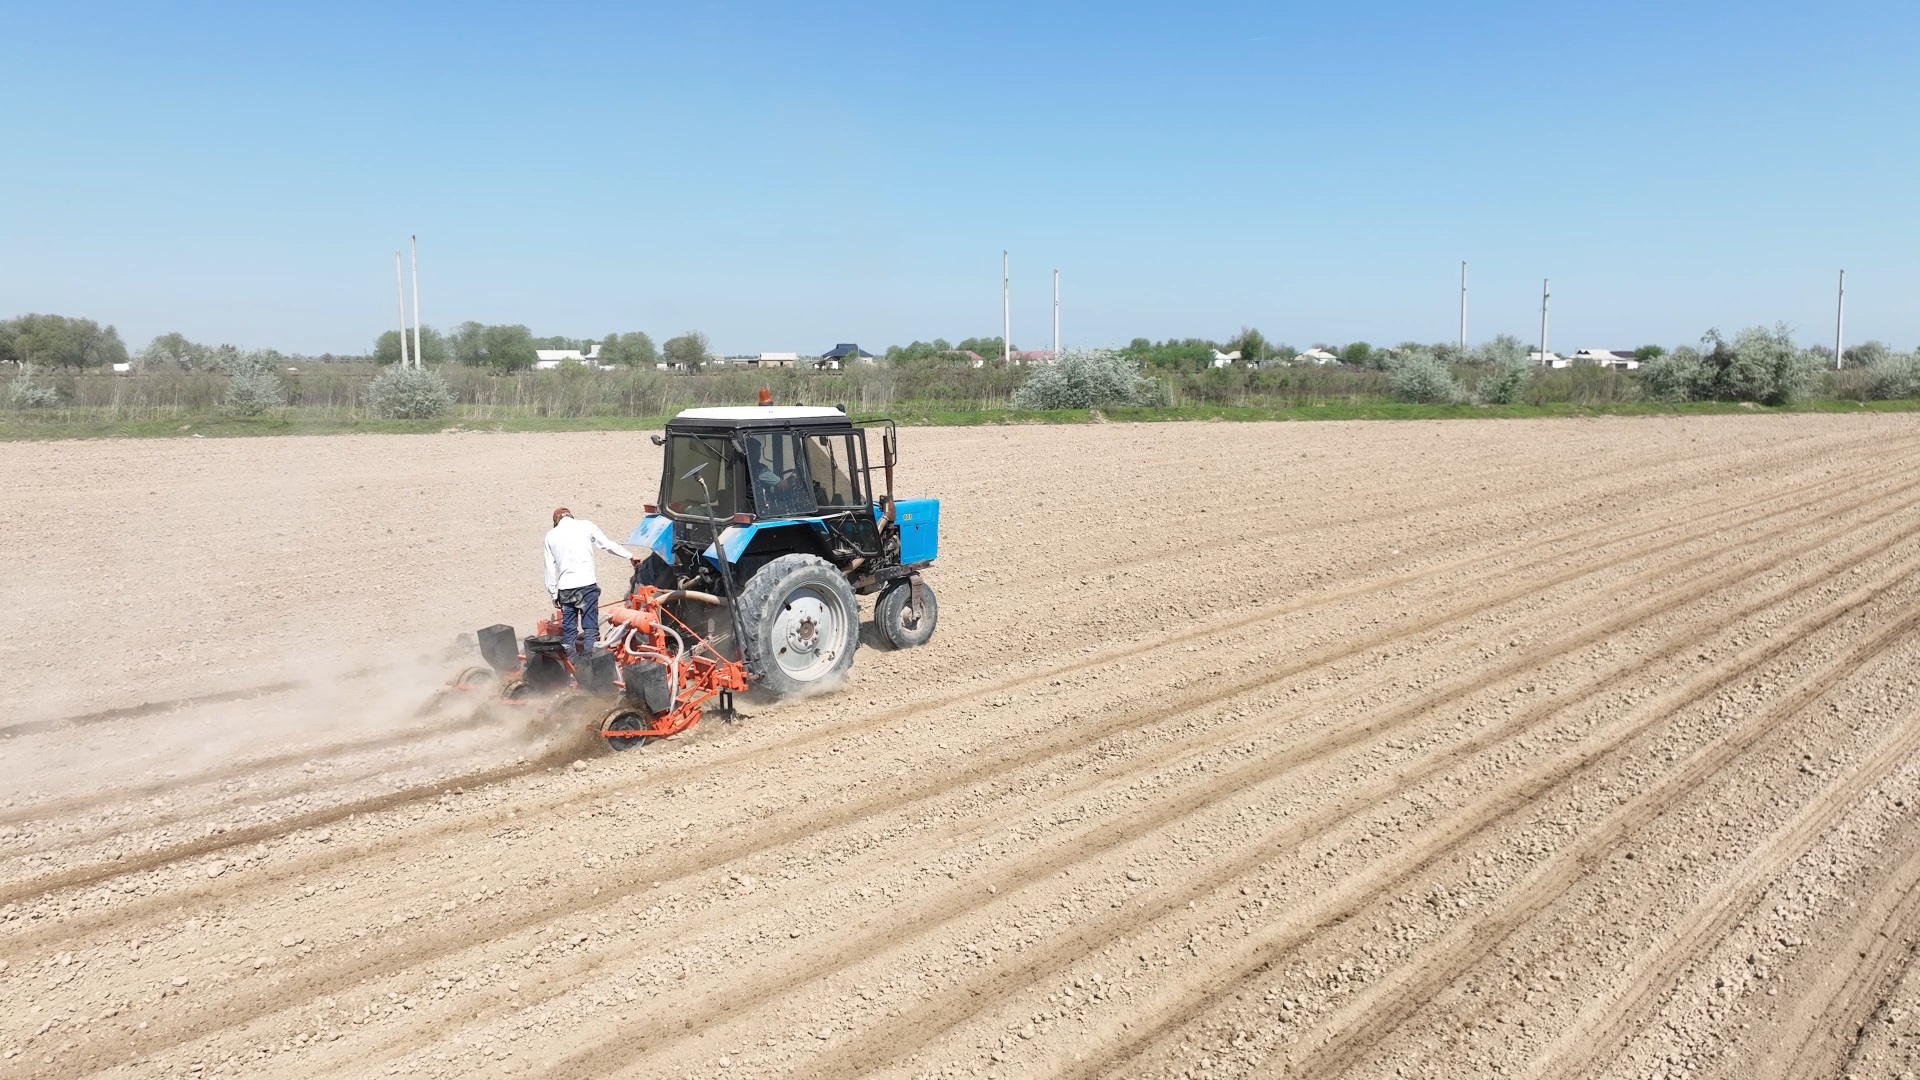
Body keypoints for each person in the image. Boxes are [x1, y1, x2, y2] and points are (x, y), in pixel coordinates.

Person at [543, 507, 643, 657]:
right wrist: (629, 555)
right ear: (571, 516)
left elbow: (549, 568)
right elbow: (607, 545)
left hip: (566, 589)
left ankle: (572, 666)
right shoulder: (586, 525)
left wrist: (553, 593)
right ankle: (589, 664)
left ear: (556, 521)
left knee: (569, 631)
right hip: (586, 586)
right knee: (590, 629)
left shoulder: (550, 536)